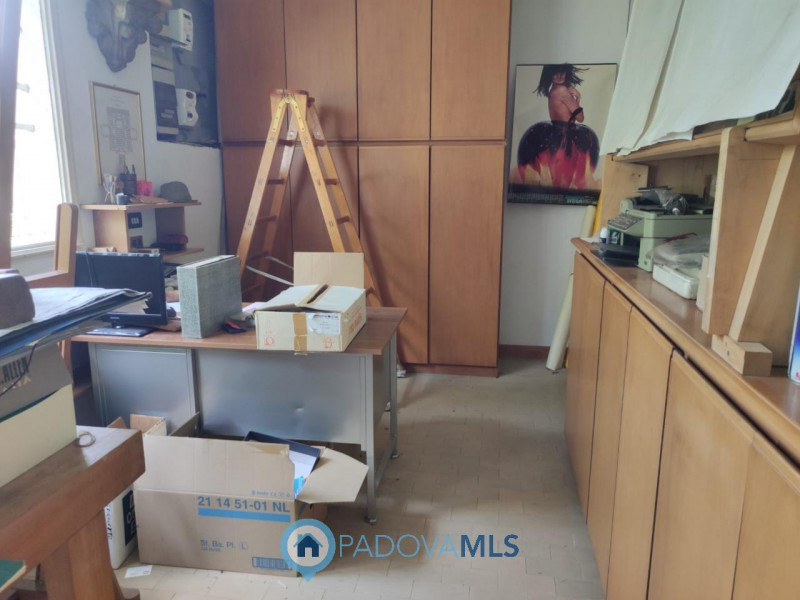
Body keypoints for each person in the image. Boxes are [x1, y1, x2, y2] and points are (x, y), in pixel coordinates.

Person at [514, 64, 600, 190]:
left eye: (562, 72)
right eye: (555, 73)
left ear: (566, 73)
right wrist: (578, 98)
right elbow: (580, 117)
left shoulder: (552, 89)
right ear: (550, 74)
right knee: (564, 177)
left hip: (555, 130)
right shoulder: (563, 92)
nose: (559, 76)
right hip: (566, 134)